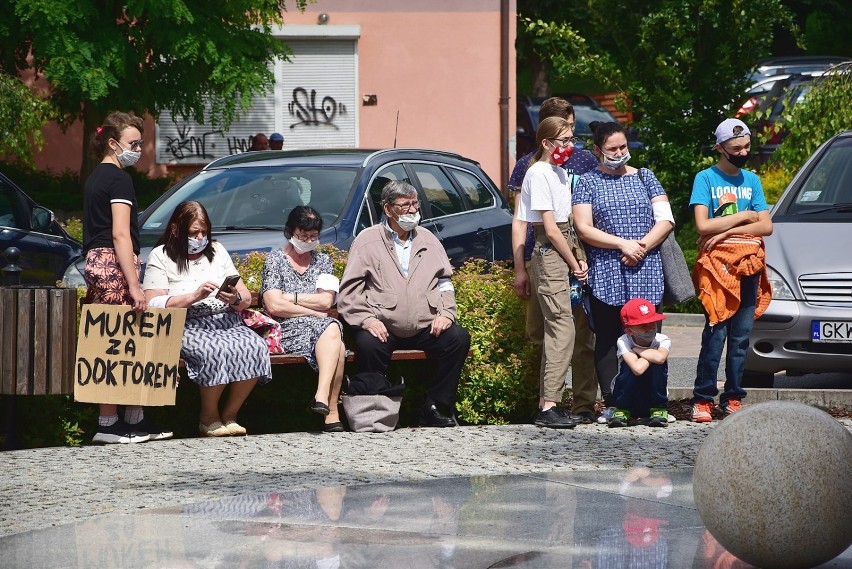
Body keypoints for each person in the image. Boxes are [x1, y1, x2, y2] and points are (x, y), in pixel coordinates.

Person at [337, 180, 471, 428]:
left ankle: (437, 406)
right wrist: (367, 320)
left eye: (415, 204)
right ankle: (376, 413)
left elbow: (445, 282)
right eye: (405, 205)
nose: (412, 210)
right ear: (388, 209)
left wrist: (446, 313)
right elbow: (349, 290)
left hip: (425, 325)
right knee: (368, 344)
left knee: (458, 338)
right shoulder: (367, 240)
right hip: (384, 325)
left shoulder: (429, 239)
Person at [572, 121, 675, 424]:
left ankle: (649, 402)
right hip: (606, 270)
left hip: (646, 267)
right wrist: (622, 245)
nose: (619, 153)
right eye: (612, 149)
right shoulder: (588, 182)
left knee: (647, 337)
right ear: (597, 150)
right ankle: (614, 402)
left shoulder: (646, 176)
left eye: (623, 147)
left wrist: (640, 247)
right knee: (607, 338)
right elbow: (583, 227)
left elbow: (666, 220)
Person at [142, 201, 271, 437]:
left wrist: (233, 298)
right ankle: (208, 416)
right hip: (186, 322)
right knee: (212, 350)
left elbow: (243, 297)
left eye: (204, 232)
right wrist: (192, 296)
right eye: (194, 232)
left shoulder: (217, 250)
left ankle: (230, 415)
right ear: (175, 229)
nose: (200, 237)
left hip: (224, 319)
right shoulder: (160, 256)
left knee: (255, 346)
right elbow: (153, 303)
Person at [83, 111, 171, 444]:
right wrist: (135, 284)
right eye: (133, 143)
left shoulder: (95, 177)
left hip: (96, 261)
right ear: (112, 143)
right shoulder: (119, 179)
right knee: (121, 344)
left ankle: (130, 420)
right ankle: (111, 424)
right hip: (114, 264)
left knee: (118, 343)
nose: (139, 148)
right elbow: (120, 234)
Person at [509, 96, 599, 424]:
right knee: (561, 329)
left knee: (567, 331)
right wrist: (574, 262)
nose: (570, 145)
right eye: (564, 140)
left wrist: (579, 258)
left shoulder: (559, 174)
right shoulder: (538, 173)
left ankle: (553, 402)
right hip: (550, 252)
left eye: (572, 139)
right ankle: (548, 404)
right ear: (547, 142)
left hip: (566, 247)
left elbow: (569, 224)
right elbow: (549, 228)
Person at [689, 118, 773, 423]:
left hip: (749, 262)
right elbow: (702, 225)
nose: (743, 151)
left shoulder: (751, 180)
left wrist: (725, 230)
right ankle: (703, 398)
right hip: (717, 266)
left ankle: (734, 396)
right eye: (736, 148)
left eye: (747, 146)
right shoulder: (706, 179)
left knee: (741, 336)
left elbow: (766, 226)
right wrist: (746, 216)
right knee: (716, 332)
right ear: (720, 148)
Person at [261, 205, 347, 433]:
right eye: (303, 235)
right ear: (290, 232)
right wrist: (312, 310)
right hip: (286, 329)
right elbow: (273, 305)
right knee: (335, 337)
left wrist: (292, 297)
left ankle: (321, 398)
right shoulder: (275, 261)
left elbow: (326, 303)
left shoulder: (324, 262)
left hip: (320, 326)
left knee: (331, 331)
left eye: (313, 236)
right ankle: (331, 408)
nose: (308, 241)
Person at [608, 298, 670, 428]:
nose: (650, 328)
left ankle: (658, 408)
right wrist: (652, 352)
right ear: (629, 331)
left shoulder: (663, 339)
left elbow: (660, 359)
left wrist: (636, 350)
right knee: (628, 367)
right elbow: (637, 368)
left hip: (651, 396)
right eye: (643, 325)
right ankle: (622, 409)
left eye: (652, 322)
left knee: (658, 365)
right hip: (628, 396)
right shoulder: (623, 340)